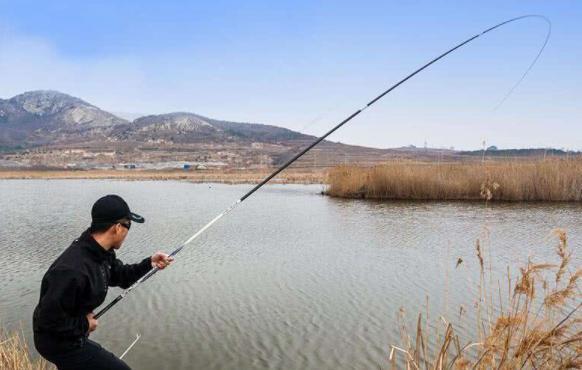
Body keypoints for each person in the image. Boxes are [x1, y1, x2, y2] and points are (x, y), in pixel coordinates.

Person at [33, 194, 174, 370]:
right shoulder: (71, 270)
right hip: (57, 343)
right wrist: (85, 324)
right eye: (128, 226)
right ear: (117, 228)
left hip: (73, 333)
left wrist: (150, 264)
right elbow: (48, 321)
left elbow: (121, 276)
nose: (128, 233)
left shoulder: (100, 252)